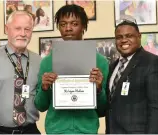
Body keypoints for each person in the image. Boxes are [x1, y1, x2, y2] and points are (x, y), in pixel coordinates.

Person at [34, 4, 109, 134]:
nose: (68, 28)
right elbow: (40, 106)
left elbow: (103, 111)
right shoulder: (47, 62)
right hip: (56, 131)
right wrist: (45, 87)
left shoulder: (100, 62)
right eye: (63, 24)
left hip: (87, 131)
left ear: (84, 26)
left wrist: (99, 89)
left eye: (74, 24)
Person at [0, 11, 41, 134]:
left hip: (29, 130)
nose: (23, 34)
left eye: (27, 29)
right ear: (7, 29)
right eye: (17, 28)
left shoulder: (38, 61)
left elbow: (42, 98)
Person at [105, 16, 158, 134]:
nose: (123, 40)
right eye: (119, 37)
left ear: (139, 37)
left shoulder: (154, 63)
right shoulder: (113, 67)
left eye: (129, 36)